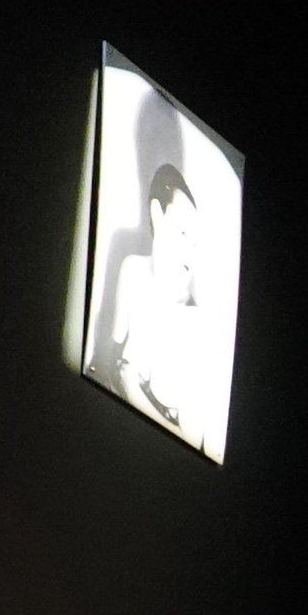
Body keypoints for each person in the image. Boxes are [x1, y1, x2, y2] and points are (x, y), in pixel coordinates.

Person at [107, 159, 227, 447]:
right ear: (156, 214)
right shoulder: (131, 269)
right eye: (183, 232)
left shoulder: (195, 325)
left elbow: (192, 443)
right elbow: (109, 356)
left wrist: (133, 391)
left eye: (195, 243)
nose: (189, 252)